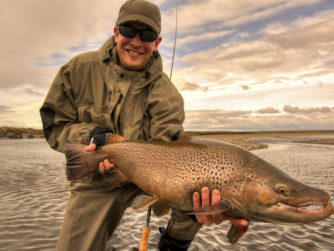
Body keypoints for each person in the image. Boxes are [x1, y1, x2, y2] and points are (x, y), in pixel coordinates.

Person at [40, 0, 248, 250]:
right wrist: (95, 138)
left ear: (157, 42)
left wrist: (205, 207)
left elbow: (171, 154)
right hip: (95, 177)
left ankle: (173, 243)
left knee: (195, 196)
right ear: (116, 32)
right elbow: (55, 126)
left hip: (150, 177)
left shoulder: (168, 96)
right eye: (129, 31)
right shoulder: (77, 70)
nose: (136, 41)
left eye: (147, 34)